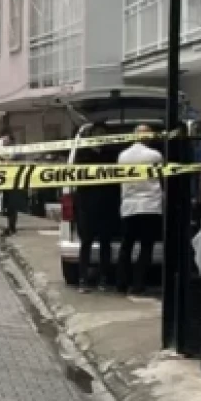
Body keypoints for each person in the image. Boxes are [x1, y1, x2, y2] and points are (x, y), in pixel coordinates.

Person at [116, 124, 164, 295]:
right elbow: (161, 177)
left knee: (126, 246)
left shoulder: (122, 156)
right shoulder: (155, 155)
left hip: (129, 206)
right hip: (150, 206)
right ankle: (138, 284)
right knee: (146, 247)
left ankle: (121, 283)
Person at [73, 124, 121, 292]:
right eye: (97, 134)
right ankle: (83, 280)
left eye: (103, 134)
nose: (100, 137)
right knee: (86, 243)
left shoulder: (112, 154)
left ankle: (104, 279)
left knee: (105, 244)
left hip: (107, 206)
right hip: (87, 206)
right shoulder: (83, 154)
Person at [0, 130, 24, 237]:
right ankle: (10, 226)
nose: (4, 142)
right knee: (7, 206)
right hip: (6, 181)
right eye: (3, 140)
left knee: (12, 205)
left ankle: (11, 227)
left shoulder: (16, 150)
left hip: (14, 181)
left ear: (11, 140)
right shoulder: (3, 151)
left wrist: (5, 159)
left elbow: (13, 160)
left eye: (6, 140)